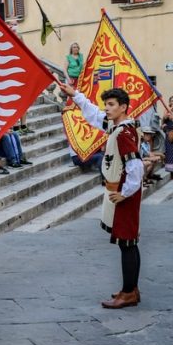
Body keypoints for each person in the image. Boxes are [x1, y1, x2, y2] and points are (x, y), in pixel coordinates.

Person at [59, 79, 144, 306]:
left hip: (124, 194)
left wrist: (125, 193)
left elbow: (135, 165)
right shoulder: (117, 127)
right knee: (127, 243)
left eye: (112, 104)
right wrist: (75, 94)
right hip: (122, 192)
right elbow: (94, 115)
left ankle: (129, 292)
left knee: (127, 243)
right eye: (106, 104)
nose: (107, 108)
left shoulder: (124, 132)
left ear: (123, 107)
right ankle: (130, 288)